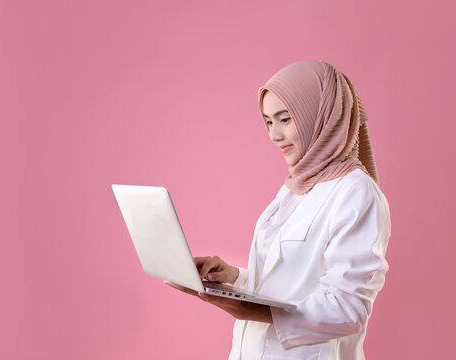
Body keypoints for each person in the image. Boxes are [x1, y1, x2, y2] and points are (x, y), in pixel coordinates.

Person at [165, 60, 391, 360]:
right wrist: (234, 278)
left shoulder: (355, 192)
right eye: (268, 121)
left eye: (285, 119)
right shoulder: (296, 185)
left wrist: (253, 310)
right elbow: (290, 282)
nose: (274, 135)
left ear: (320, 115)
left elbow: (349, 309)